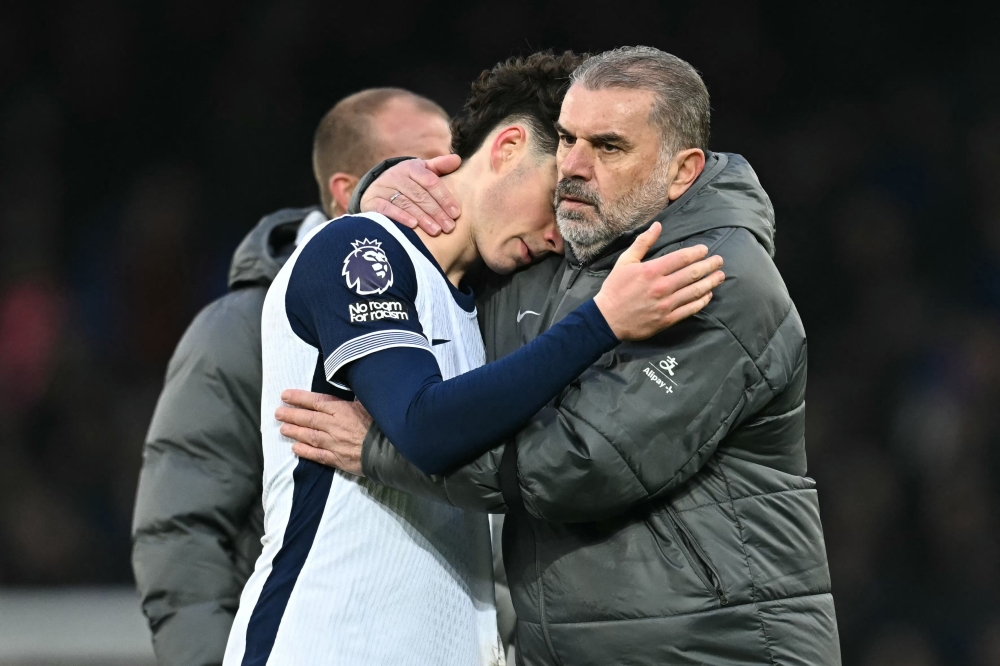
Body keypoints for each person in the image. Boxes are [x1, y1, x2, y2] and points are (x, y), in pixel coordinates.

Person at [282, 46, 842, 665]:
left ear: (682, 173)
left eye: (608, 146)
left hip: (719, 648)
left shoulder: (714, 277)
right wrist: (383, 188)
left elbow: (580, 464)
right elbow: (456, 231)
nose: (573, 167)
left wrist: (381, 450)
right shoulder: (565, 250)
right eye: (568, 139)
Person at [130, 87, 452, 666]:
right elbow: (181, 532)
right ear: (347, 192)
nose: (445, 188)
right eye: (420, 169)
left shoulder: (455, 306)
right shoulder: (241, 327)